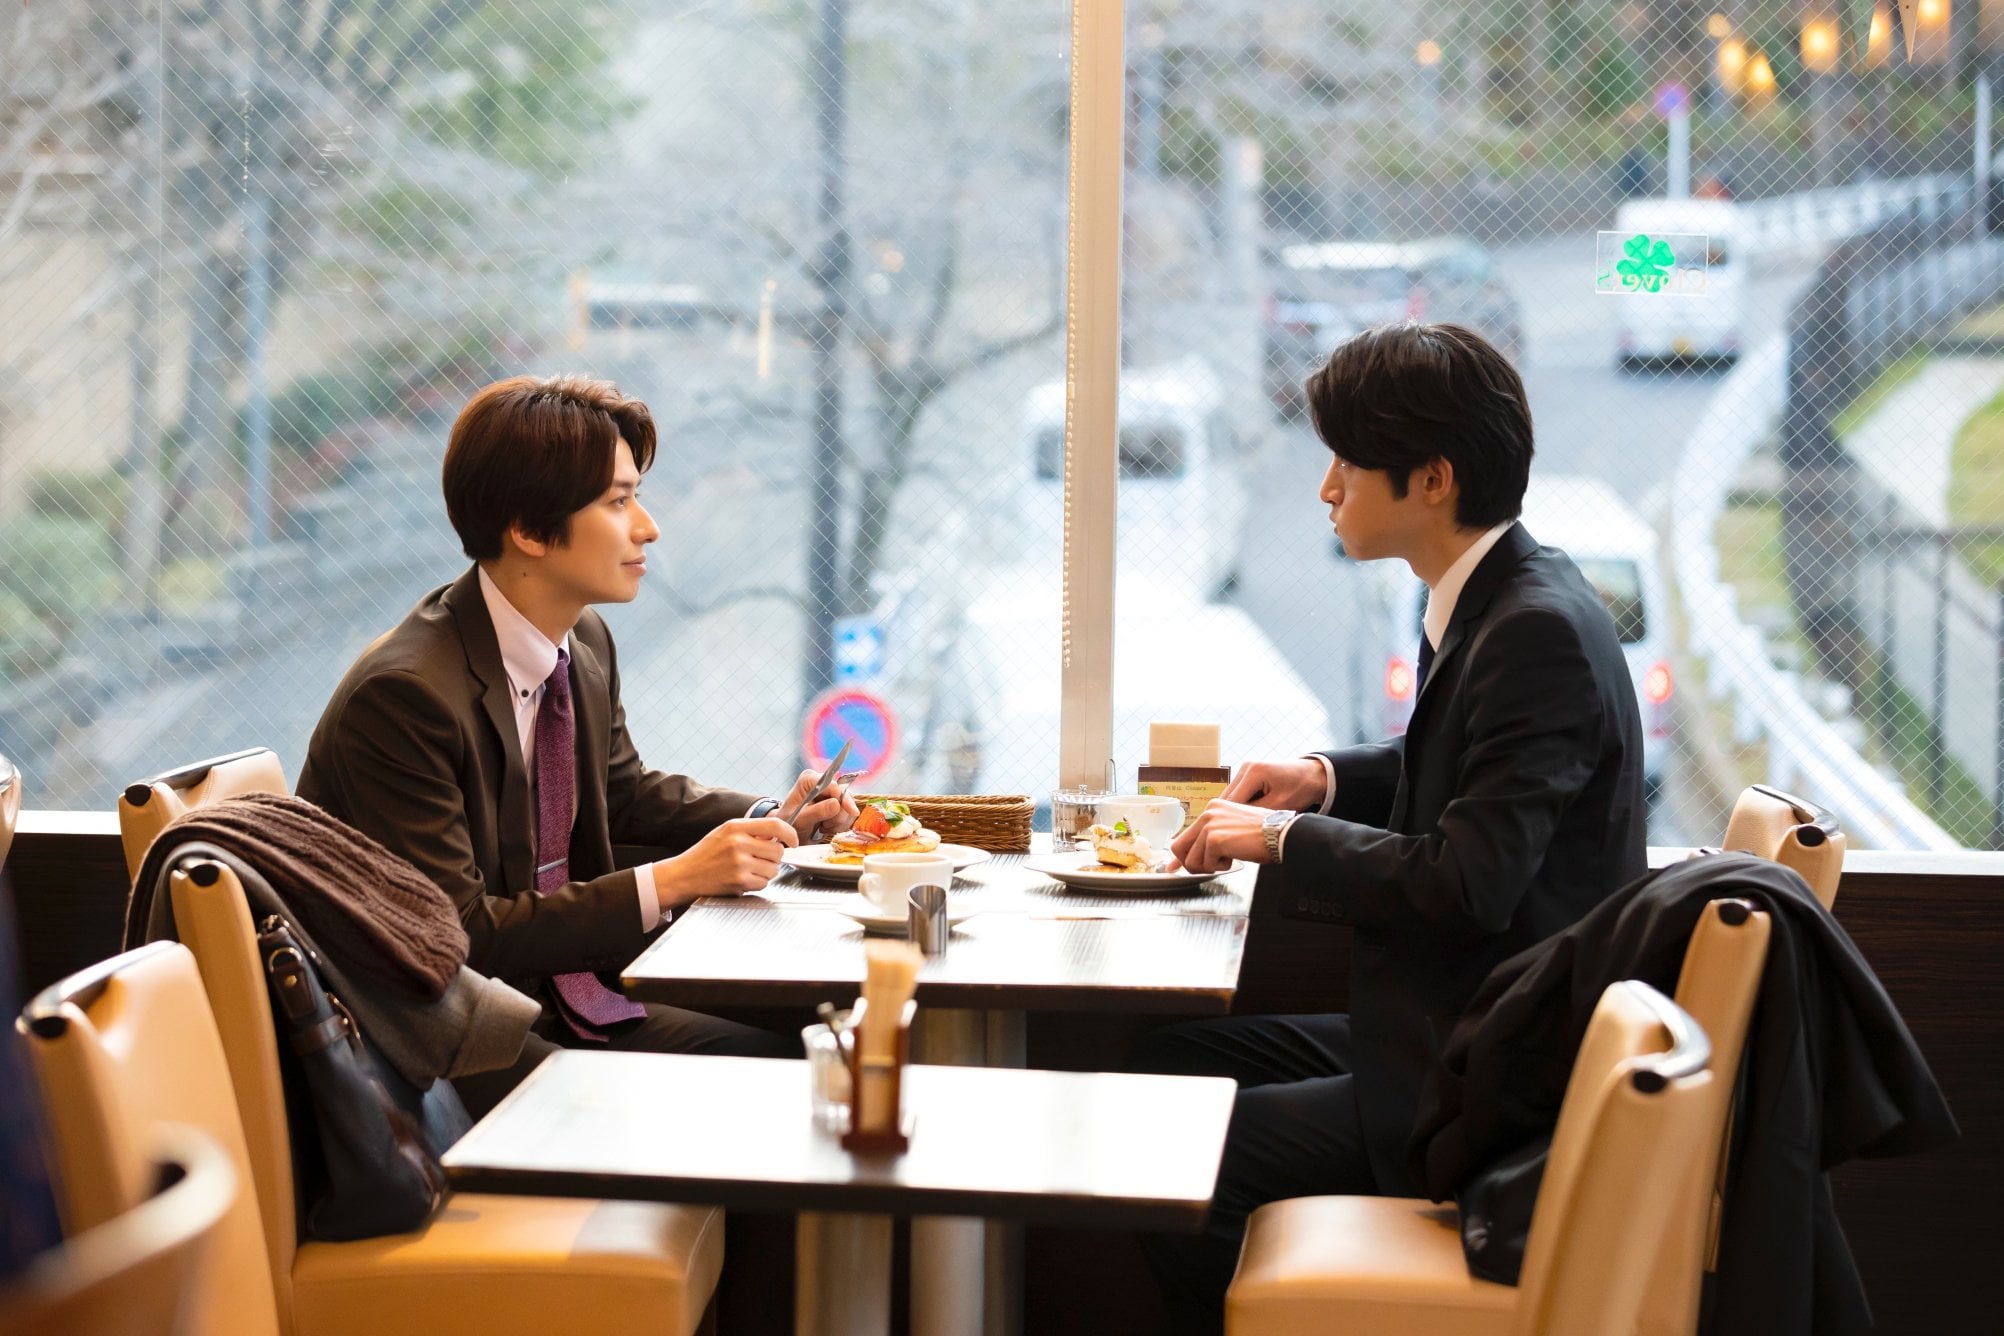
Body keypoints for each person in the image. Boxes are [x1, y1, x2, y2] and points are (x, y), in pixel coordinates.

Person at [1133, 322, 1648, 1332]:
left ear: (1434, 480)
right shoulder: (1504, 595)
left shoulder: (1533, 633)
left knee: (1168, 1150)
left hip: (1490, 1087)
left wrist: (1279, 841)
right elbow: (1462, 772)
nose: (1327, 488)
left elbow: (1468, 881)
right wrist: (1321, 780)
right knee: (1170, 1064)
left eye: (1349, 463)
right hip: (1457, 1031)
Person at [297, 374, 857, 1115]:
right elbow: (457, 934)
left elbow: (621, 792)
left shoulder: (581, 637)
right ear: (529, 530)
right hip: (448, 1040)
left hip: (561, 994)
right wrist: (676, 880)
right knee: (770, 1083)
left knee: (810, 1041)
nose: (648, 527)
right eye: (618, 502)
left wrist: (772, 817)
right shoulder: (404, 698)